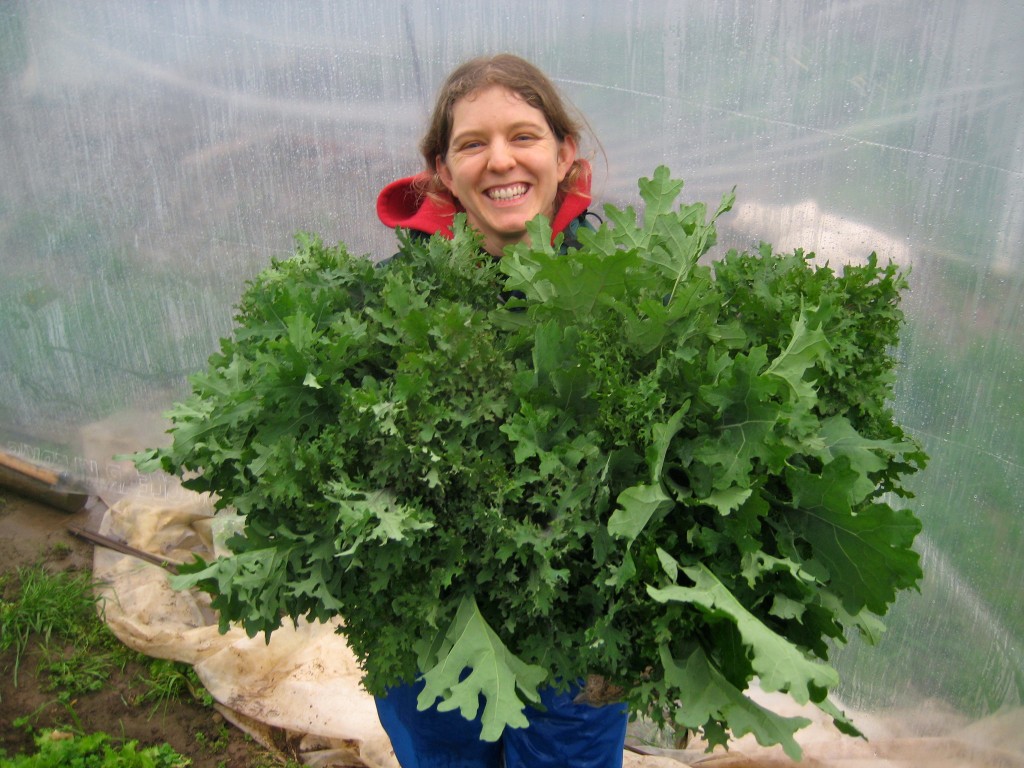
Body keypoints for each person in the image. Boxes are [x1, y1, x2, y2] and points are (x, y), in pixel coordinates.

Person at [373, 54, 628, 768]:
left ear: (563, 153)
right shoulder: (385, 309)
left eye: (523, 135)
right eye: (472, 143)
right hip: (434, 631)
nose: (500, 160)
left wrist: (630, 631)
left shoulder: (629, 297)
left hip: (575, 636)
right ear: (442, 170)